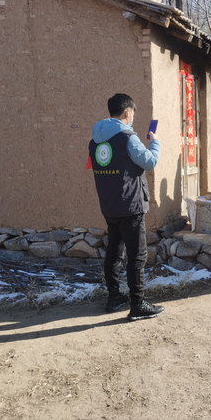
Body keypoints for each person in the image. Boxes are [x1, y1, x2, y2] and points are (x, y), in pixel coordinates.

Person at [89, 93, 165, 321]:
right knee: (137, 256)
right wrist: (155, 141)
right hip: (130, 206)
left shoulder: (94, 141)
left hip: (109, 205)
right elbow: (150, 161)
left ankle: (114, 297)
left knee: (114, 252)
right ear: (128, 113)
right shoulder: (128, 138)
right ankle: (138, 305)